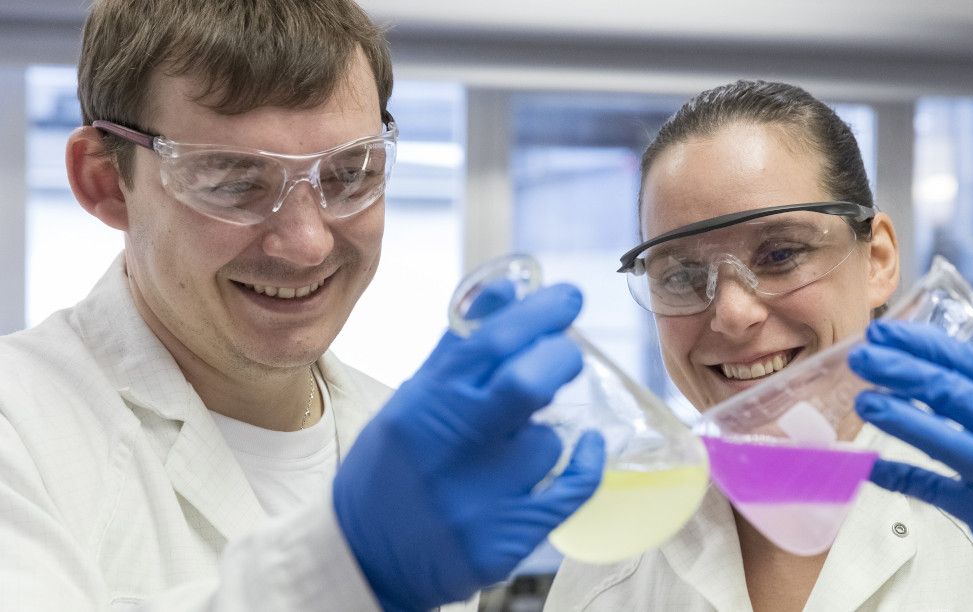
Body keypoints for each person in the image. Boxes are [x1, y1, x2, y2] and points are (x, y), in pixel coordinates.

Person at [0, 1, 604, 610]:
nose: (307, 244)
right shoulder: (19, 428)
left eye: (349, 175)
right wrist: (349, 566)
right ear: (104, 182)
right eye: (234, 182)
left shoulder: (406, 460)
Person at [545, 80, 973, 610]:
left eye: (779, 253)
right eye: (683, 277)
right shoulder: (614, 556)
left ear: (879, 258)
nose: (735, 314)